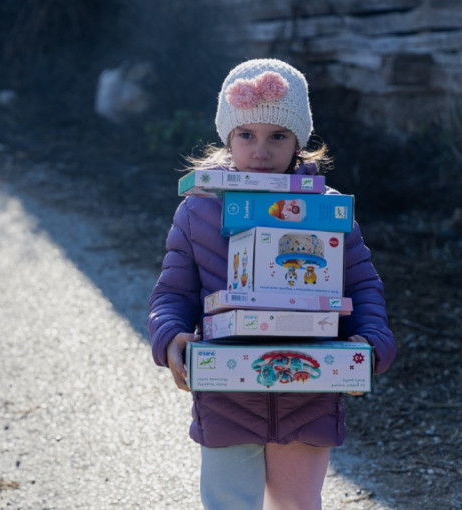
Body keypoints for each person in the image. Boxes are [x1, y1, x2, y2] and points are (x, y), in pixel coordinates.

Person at [147, 59, 396, 509]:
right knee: (229, 503)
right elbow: (173, 293)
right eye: (247, 135)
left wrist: (372, 340)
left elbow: (362, 284)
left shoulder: (329, 211)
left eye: (277, 136)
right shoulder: (198, 210)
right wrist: (169, 339)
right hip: (226, 391)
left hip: (311, 389)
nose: (260, 152)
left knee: (298, 504)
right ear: (228, 137)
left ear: (299, 140)